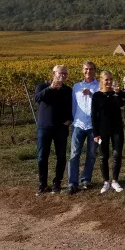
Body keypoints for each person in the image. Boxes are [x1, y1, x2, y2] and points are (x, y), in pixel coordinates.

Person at [34, 65, 73, 195]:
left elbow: (73, 107)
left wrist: (70, 119)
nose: (63, 76)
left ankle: (57, 183)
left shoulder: (68, 90)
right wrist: (50, 88)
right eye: (60, 73)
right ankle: (42, 184)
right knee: (42, 156)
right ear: (53, 74)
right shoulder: (42, 87)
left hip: (61, 128)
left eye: (65, 74)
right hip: (44, 127)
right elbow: (37, 98)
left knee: (61, 156)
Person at [67, 61, 99, 194]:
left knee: (91, 154)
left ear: (94, 71)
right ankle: (72, 183)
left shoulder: (99, 86)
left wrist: (91, 94)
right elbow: (74, 105)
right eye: (86, 69)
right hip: (79, 125)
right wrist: (74, 120)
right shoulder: (76, 86)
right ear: (82, 70)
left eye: (91, 69)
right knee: (74, 154)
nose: (88, 71)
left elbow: (100, 103)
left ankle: (86, 179)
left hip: (93, 125)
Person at [91, 71, 125, 194]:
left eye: (111, 79)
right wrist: (95, 133)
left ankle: (115, 180)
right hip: (102, 130)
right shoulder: (96, 96)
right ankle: (106, 181)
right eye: (106, 80)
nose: (109, 82)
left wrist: (118, 94)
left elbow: (121, 104)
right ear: (101, 80)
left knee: (117, 154)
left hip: (117, 129)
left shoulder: (116, 94)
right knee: (103, 156)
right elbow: (93, 115)